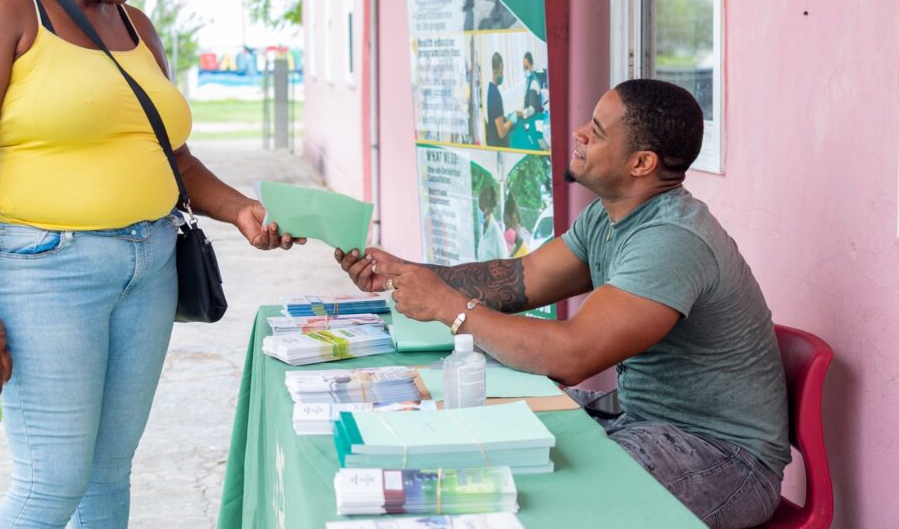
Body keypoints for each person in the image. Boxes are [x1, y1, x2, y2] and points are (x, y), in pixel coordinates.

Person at [0, 0, 303, 528]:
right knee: (52, 483)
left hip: (150, 265)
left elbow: (173, 155)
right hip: (48, 269)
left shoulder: (137, 26)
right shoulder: (6, 8)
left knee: (108, 475)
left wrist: (241, 210)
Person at [336, 79, 789, 529]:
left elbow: (571, 356)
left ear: (641, 163)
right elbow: (520, 280)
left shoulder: (671, 241)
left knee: (536, 498)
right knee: (472, 426)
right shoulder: (608, 215)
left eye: (597, 130)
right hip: (639, 421)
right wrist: (405, 273)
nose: (579, 133)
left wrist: (450, 308)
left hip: (722, 457)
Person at [484, 52, 519, 147]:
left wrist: (506, 117)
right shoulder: (495, 96)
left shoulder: (490, 89)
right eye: (501, 72)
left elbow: (496, 116)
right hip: (498, 145)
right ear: (495, 72)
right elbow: (502, 132)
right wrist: (512, 121)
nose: (503, 75)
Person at [475, 182, 506, 261]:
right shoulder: (483, 230)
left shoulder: (496, 234)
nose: (479, 211)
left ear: (487, 209)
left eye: (481, 209)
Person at [520, 51, 546, 119]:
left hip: (535, 119)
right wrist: (520, 110)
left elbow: (532, 110)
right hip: (528, 116)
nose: (525, 70)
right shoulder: (528, 80)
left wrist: (520, 113)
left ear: (531, 66)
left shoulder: (533, 83)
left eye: (526, 67)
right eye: (524, 67)